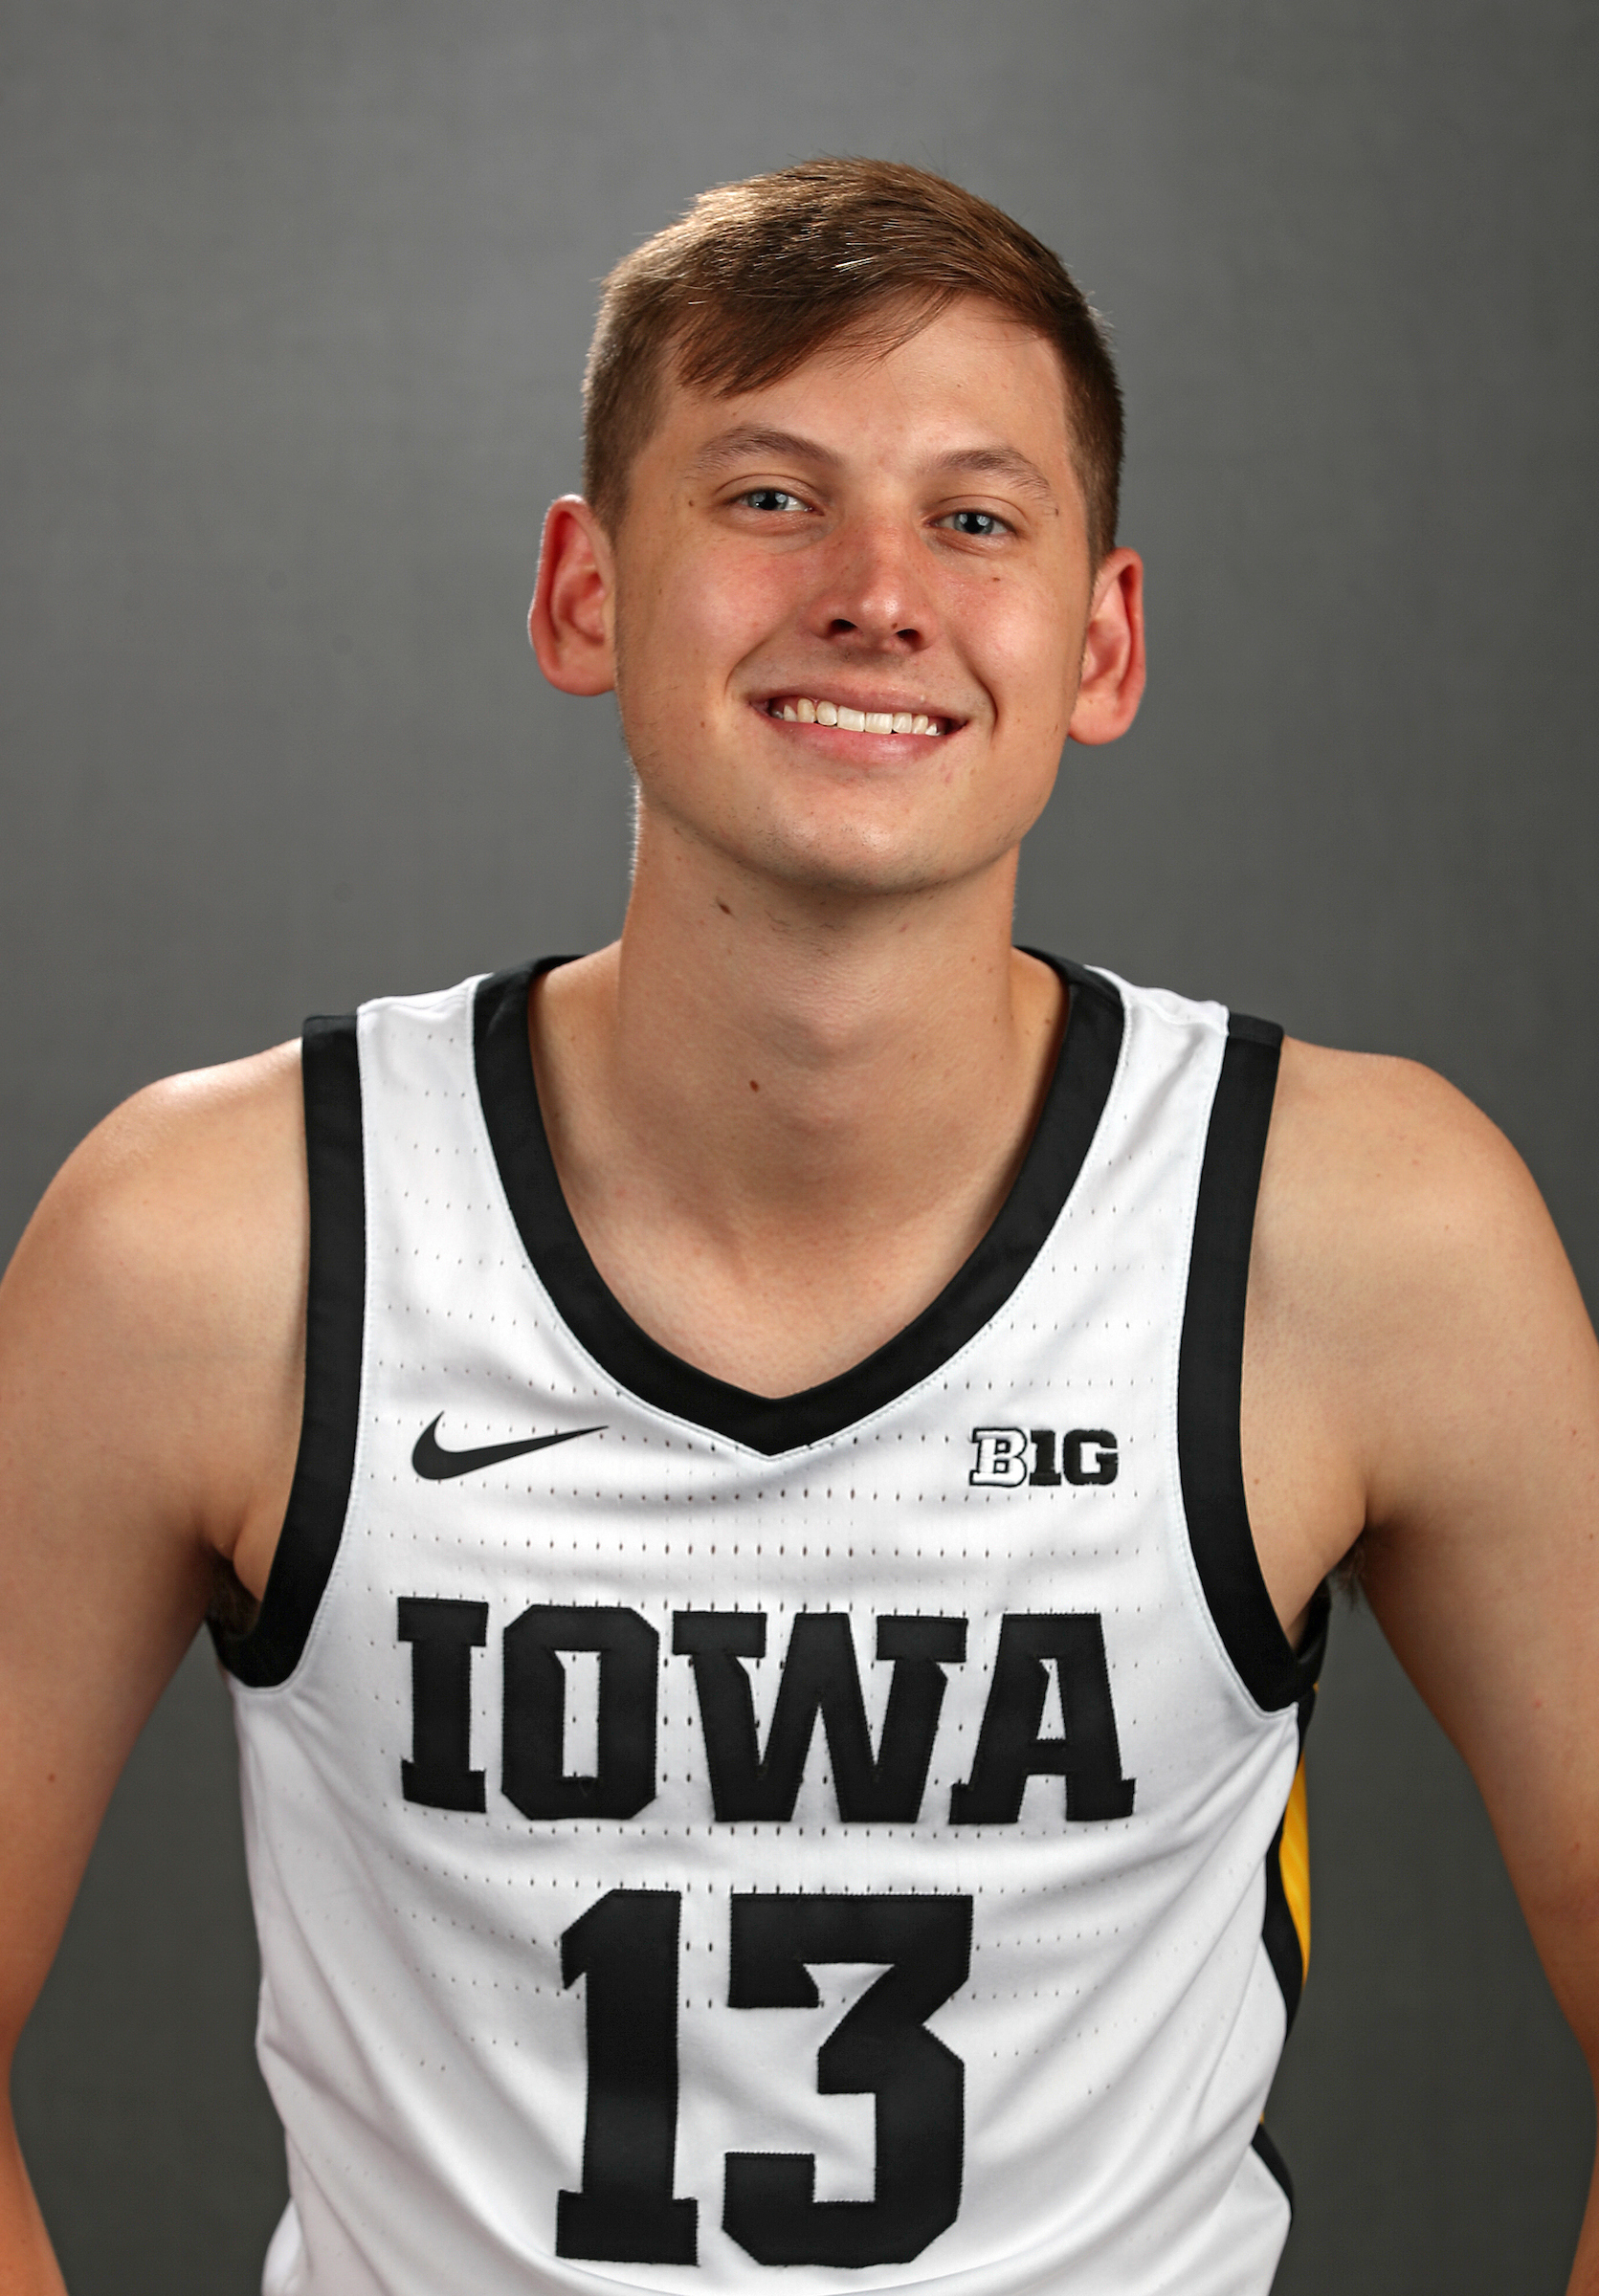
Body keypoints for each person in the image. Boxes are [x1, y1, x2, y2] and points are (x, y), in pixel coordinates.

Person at [0, 157, 1594, 2296]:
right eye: (768, 496)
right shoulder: (222, 1238)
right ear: (585, 591)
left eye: (975, 518)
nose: (876, 594)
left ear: (1101, 640)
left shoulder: (1358, 1231)